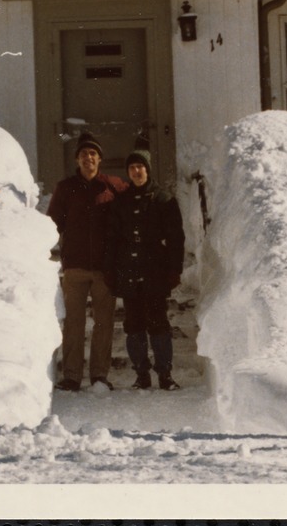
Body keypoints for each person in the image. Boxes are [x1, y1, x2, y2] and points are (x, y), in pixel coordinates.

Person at [46, 132, 128, 392]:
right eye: (83, 154)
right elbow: (50, 225)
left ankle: (99, 376)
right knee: (73, 323)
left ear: (99, 159)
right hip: (76, 266)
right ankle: (71, 376)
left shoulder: (113, 186)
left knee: (103, 322)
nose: (88, 158)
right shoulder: (65, 188)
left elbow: (136, 202)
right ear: (76, 160)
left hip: (105, 268)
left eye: (92, 154)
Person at [107, 147, 185, 391]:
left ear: (148, 169)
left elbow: (176, 238)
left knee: (158, 322)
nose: (136, 171)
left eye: (140, 167)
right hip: (130, 273)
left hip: (155, 272)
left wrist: (174, 269)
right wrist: (112, 271)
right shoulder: (120, 202)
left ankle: (165, 374)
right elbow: (112, 239)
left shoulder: (164, 199)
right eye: (132, 168)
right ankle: (142, 374)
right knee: (134, 324)